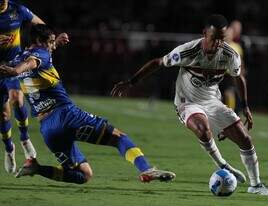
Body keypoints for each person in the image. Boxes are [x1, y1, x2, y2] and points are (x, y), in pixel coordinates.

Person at [111, 14, 268, 195]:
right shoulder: (188, 51)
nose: (218, 43)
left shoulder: (230, 55)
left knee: (245, 139)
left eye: (222, 39)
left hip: (212, 101)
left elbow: (238, 78)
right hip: (187, 102)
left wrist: (245, 106)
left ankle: (256, 185)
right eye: (214, 38)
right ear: (205, 33)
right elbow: (158, 62)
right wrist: (131, 82)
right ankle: (223, 164)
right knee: (203, 129)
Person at [0, 24, 175, 184]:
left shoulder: (17, 58)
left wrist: (16, 69)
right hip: (66, 115)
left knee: (84, 175)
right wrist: (18, 70)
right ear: (39, 41)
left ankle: (36, 168)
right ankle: (146, 170)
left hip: (47, 128)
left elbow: (30, 61)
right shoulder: (38, 56)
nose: (52, 45)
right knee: (119, 137)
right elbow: (34, 61)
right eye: (50, 41)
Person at [0, 0, 69, 173]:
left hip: (15, 64)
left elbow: (41, 26)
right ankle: (9, 149)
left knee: (16, 97)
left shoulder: (17, 10)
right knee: (3, 114)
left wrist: (53, 41)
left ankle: (24, 138)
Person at [220, 20, 246, 113]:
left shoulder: (237, 47)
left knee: (230, 94)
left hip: (231, 76)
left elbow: (241, 62)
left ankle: (231, 114)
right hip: (219, 75)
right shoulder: (219, 46)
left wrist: (242, 72)